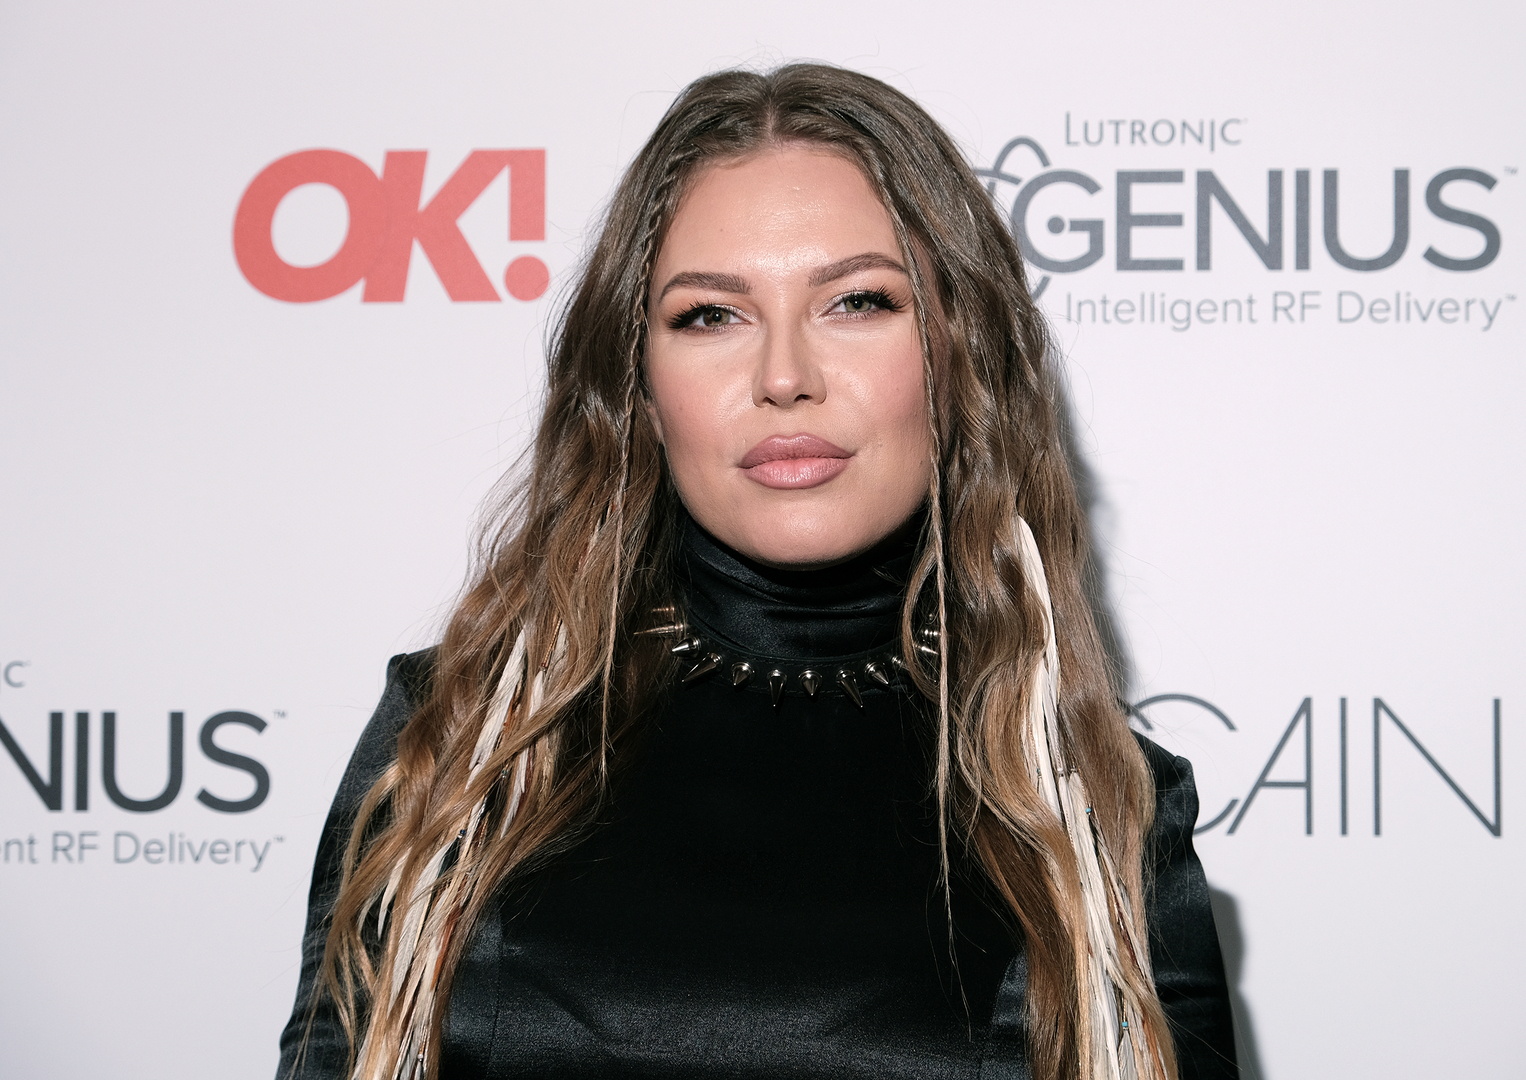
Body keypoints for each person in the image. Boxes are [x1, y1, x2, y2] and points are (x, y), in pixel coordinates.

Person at [277, 63, 1237, 1080]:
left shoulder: (1092, 814)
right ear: (636, 385)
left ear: (963, 351)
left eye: (857, 301)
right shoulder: (462, 743)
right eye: (710, 315)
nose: (784, 377)